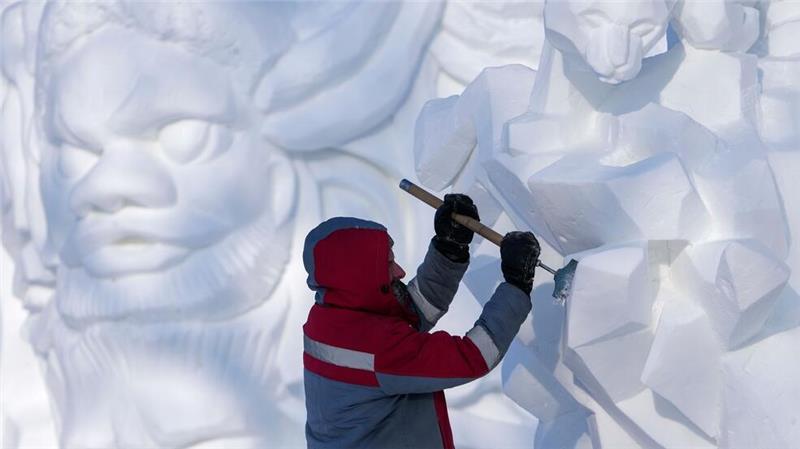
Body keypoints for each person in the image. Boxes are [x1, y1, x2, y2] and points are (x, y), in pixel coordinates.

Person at [302, 194, 541, 449]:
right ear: (360, 277)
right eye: (389, 263)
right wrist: (516, 285)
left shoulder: (330, 317)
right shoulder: (375, 347)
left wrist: (449, 250)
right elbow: (473, 356)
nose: (400, 271)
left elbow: (411, 313)